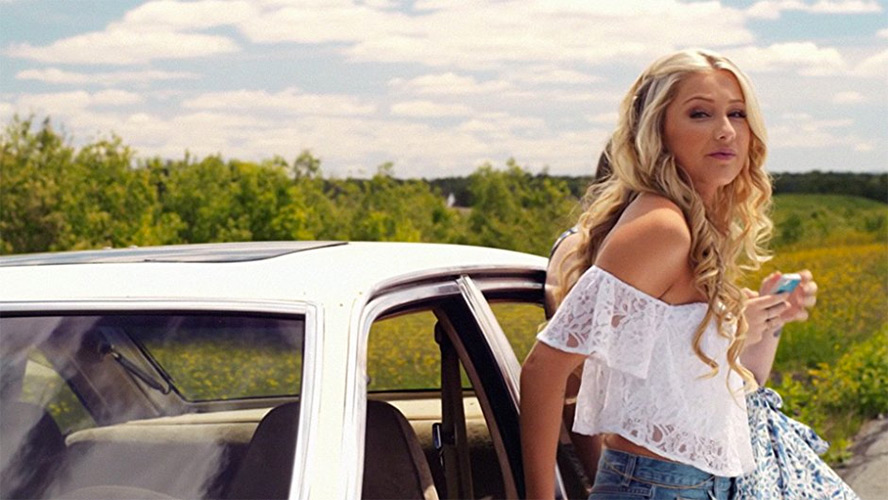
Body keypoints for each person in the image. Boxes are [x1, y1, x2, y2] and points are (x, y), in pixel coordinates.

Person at [522, 48, 777, 499]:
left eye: (737, 113)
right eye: (700, 113)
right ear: (658, 130)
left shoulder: (693, 225)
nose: (725, 130)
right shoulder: (661, 228)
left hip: (695, 485)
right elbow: (544, 368)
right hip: (659, 488)